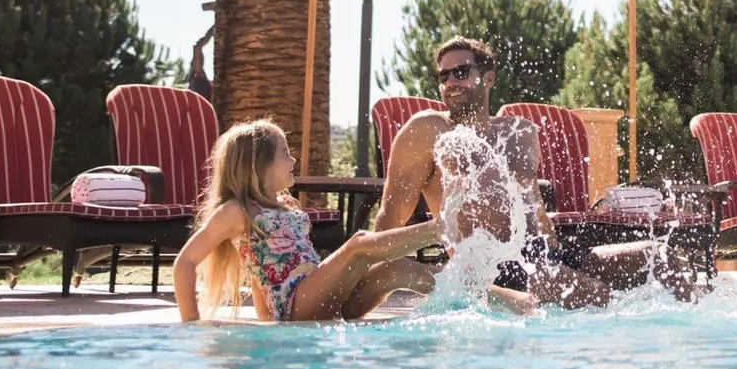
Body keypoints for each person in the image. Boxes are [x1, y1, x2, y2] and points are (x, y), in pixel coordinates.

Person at [378, 36, 634, 310]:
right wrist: (369, 274)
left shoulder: (520, 132)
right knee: (601, 296)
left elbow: (534, 206)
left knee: (660, 258)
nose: (450, 82)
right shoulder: (429, 130)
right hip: (491, 268)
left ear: (488, 79)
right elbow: (392, 214)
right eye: (443, 76)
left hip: (543, 256)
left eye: (461, 72)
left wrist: (557, 253)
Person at [174, 118, 439, 323]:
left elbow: (263, 267)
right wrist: (190, 323)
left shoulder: (287, 204)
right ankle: (439, 228)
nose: (293, 159)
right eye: (285, 153)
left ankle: (465, 288)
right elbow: (184, 262)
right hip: (297, 306)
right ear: (259, 165)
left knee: (393, 269)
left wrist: (266, 317)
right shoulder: (236, 211)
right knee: (358, 244)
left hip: (321, 296)